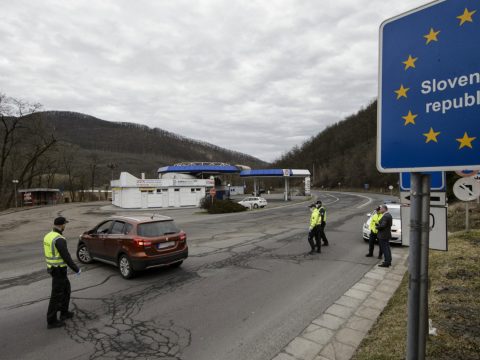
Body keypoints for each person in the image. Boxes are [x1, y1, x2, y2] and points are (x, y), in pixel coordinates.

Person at [44, 216, 81, 329]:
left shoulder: (48, 235)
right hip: (58, 269)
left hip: (53, 268)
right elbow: (66, 256)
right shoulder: (59, 239)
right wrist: (76, 269)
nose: (65, 226)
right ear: (62, 225)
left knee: (66, 290)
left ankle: (64, 313)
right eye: (65, 224)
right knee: (56, 295)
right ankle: (52, 321)